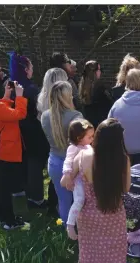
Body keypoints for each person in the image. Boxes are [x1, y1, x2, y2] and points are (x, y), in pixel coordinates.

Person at [68, 118, 130, 263]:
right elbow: (125, 188)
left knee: (91, 255)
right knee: (115, 257)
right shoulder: (123, 159)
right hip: (113, 213)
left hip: (88, 215)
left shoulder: (83, 155)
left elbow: (68, 180)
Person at [9, 53, 51, 212]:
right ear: (26, 69)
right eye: (31, 67)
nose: (32, 69)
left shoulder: (11, 85)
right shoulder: (31, 89)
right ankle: (37, 198)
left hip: (17, 129)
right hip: (32, 130)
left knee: (26, 162)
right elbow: (38, 110)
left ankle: (27, 192)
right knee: (35, 164)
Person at [41, 81, 83, 224]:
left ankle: (67, 230)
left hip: (54, 162)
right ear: (68, 96)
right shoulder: (76, 115)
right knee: (81, 200)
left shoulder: (44, 116)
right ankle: (84, 232)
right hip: (75, 163)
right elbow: (82, 143)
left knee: (63, 200)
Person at [0, 79, 29, 229]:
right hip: (6, 149)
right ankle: (9, 221)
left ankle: (2, 217)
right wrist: (19, 96)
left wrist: (6, 96)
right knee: (4, 187)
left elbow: (1, 109)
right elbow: (19, 114)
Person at [59, 119, 94, 240]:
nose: (92, 139)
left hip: (87, 178)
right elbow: (68, 161)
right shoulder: (74, 148)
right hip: (78, 180)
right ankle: (70, 224)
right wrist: (68, 175)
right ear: (79, 138)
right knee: (79, 200)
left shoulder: (87, 146)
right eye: (89, 137)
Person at [79, 60, 113, 129]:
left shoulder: (82, 88)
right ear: (95, 72)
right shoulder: (100, 88)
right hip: (101, 125)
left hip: (88, 126)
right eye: (99, 69)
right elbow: (109, 106)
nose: (100, 72)